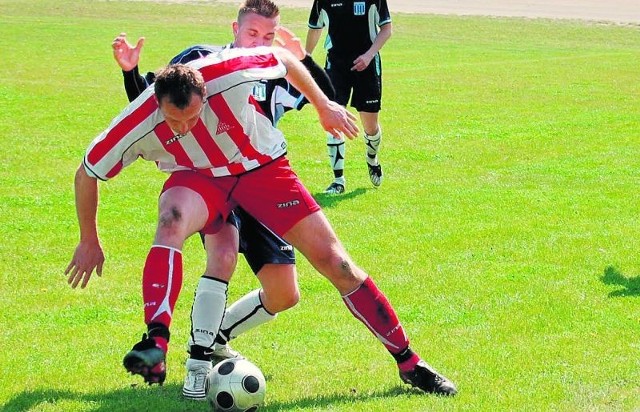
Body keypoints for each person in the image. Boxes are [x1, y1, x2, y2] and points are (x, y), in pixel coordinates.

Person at [66, 45, 457, 397]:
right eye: (173, 121)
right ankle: (156, 341)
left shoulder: (227, 71)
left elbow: (284, 58)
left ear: (206, 94)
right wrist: (89, 240)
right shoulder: (138, 120)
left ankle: (410, 363)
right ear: (157, 104)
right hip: (201, 178)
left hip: (262, 170)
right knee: (171, 218)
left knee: (335, 263)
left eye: (193, 117)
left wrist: (322, 106)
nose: (184, 127)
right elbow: (87, 172)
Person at [111, 0, 336, 401]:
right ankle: (197, 366)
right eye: (252, 33)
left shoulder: (273, 69)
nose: (259, 42)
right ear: (235, 28)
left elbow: (327, 97)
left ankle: (216, 336)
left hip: (259, 180)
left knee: (285, 294)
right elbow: (153, 103)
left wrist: (298, 56)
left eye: (267, 36)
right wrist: (130, 70)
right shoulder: (199, 60)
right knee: (223, 257)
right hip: (210, 180)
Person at [305, 0, 392, 194]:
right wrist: (306, 58)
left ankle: (372, 158)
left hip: (367, 66)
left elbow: (386, 29)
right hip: (336, 66)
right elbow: (315, 28)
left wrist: (369, 56)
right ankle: (338, 180)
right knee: (334, 119)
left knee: (370, 126)